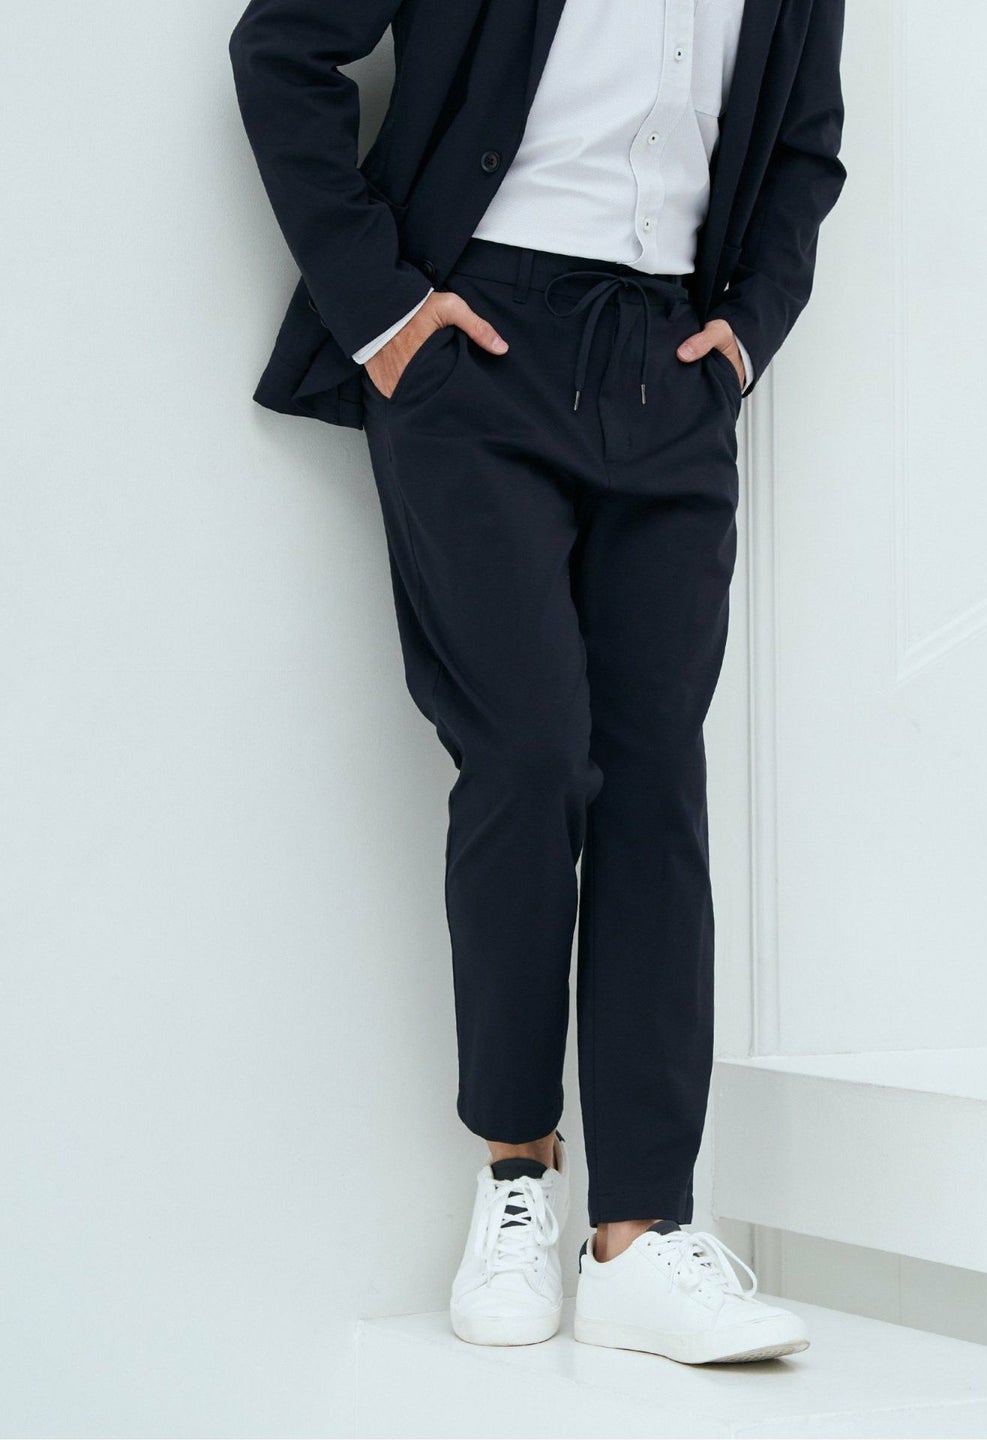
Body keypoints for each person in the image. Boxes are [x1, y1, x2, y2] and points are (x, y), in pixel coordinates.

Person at [229, 0, 845, 1366]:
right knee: (529, 750)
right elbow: (282, 49)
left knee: (655, 785)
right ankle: (518, 1170)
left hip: (674, 360)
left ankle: (639, 1236)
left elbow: (804, 147)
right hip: (479, 341)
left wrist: (749, 332)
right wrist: (384, 311)